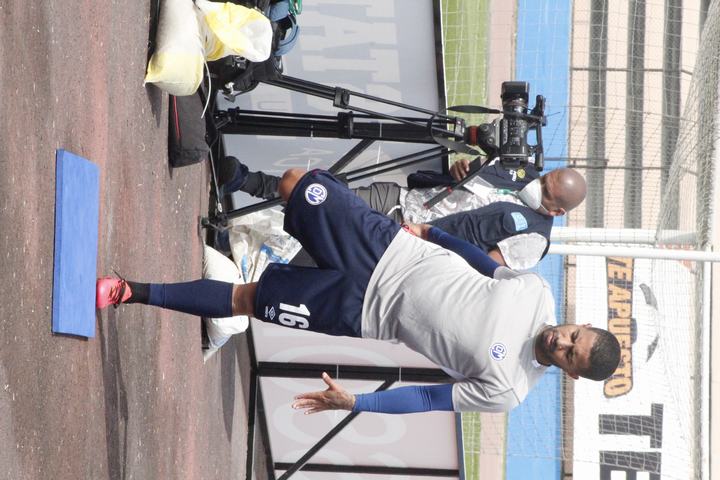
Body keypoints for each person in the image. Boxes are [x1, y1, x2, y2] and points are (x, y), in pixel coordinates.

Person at [97, 168, 619, 414]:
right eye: (574, 334)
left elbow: (428, 397)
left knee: (247, 301)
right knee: (294, 182)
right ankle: (247, 189)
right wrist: (432, 234)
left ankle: (130, 292)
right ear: (583, 323)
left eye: (569, 353)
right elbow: (484, 264)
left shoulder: (508, 391)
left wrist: (356, 402)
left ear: (571, 372)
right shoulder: (537, 294)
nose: (562, 341)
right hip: (389, 248)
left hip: (362, 310)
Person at [218, 156, 587, 269]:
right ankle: (247, 180)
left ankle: (235, 250)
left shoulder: (534, 240)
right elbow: (469, 172)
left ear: (556, 211)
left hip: (404, 245)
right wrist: (459, 168)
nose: (537, 184)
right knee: (321, 193)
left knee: (319, 246)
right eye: (546, 177)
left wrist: (430, 245)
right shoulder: (521, 170)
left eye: (546, 191)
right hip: (402, 200)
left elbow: (484, 267)